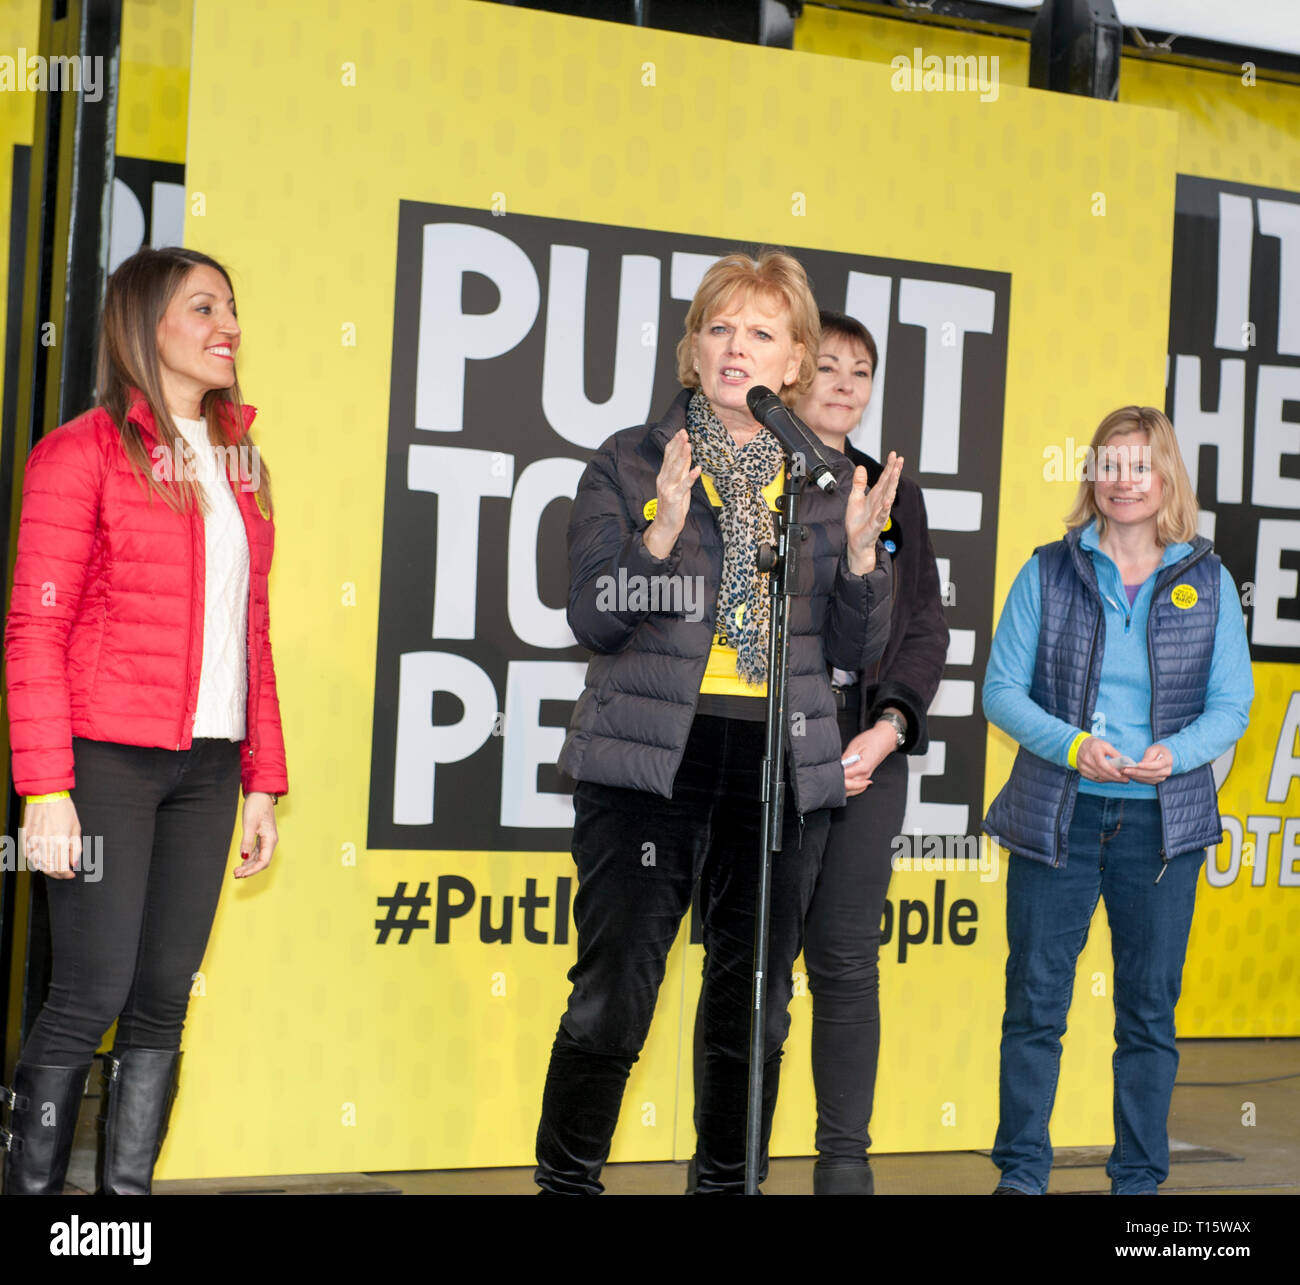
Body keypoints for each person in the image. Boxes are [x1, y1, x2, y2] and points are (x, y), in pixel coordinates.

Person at [536, 251, 901, 1194]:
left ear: (794, 365)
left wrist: (863, 559)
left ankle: (725, 1187)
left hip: (778, 764)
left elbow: (854, 646)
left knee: (754, 1005)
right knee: (616, 996)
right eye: (720, 327)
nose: (737, 346)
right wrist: (658, 531)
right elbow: (594, 613)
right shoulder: (628, 457)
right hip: (655, 759)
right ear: (694, 349)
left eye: (762, 333)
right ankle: (567, 1184)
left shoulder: (825, 481)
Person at [1, 248, 288, 1195]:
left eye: (233, 308)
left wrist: (261, 781)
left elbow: (254, 633)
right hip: (102, 762)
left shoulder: (241, 461)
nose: (227, 324)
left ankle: (123, 1212)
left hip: (208, 768)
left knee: (164, 1001)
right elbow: (34, 624)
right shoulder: (78, 452)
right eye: (203, 306)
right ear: (143, 324)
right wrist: (45, 784)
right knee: (89, 995)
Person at [981, 406, 1252, 1196]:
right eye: (1109, 464)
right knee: (1034, 1004)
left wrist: (1178, 754)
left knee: (1147, 1015)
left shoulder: (1207, 579)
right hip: (1058, 814)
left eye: (1140, 465)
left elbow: (1232, 705)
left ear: (1166, 477)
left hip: (1163, 826)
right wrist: (1072, 743)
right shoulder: (1047, 570)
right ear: (1091, 474)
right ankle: (1022, 1174)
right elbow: (1000, 691)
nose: (1122, 480)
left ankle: (1137, 1182)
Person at [793, 310, 948, 1194]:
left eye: (862, 372)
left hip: (869, 753)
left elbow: (924, 625)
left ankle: (844, 1165)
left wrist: (889, 726)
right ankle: (724, 1166)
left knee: (847, 960)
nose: (846, 384)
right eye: (829, 366)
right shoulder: (758, 477)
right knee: (759, 965)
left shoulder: (891, 488)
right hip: (778, 753)